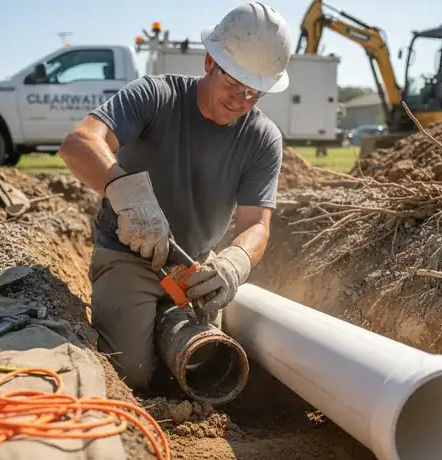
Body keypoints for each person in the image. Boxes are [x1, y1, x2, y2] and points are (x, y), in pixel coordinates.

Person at [57, 2, 292, 390]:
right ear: (209, 63)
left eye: (254, 92)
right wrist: (129, 197)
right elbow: (79, 143)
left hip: (195, 267)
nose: (241, 100)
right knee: (132, 375)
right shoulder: (156, 95)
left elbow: (257, 225)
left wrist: (234, 262)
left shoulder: (262, 139)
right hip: (128, 256)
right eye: (234, 84)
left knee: (204, 364)